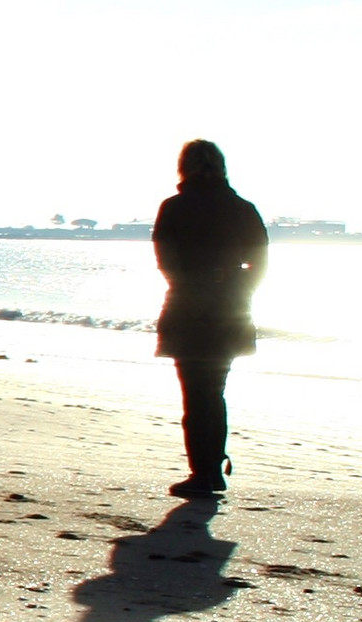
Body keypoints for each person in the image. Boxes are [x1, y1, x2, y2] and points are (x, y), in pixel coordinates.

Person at [152, 140, 267, 498]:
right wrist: (239, 289)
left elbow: (165, 262)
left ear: (183, 168)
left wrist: (189, 286)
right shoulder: (242, 208)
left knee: (196, 394)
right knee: (213, 391)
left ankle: (204, 472)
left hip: (188, 308)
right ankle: (211, 468)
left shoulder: (174, 207)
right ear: (222, 167)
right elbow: (260, 263)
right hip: (230, 308)